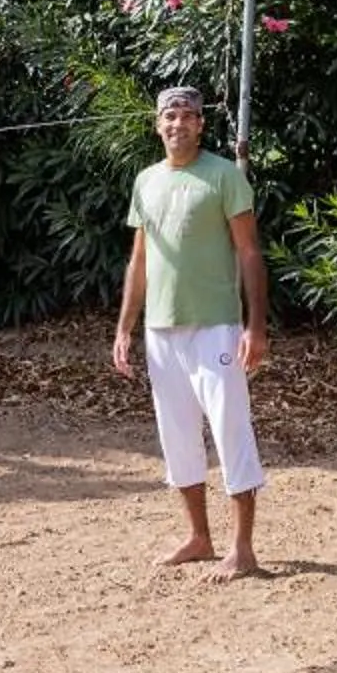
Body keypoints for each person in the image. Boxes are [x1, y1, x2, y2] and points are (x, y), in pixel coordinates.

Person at [111, 85, 271, 578]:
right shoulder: (146, 182)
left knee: (230, 431)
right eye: (168, 116)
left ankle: (242, 548)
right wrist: (125, 327)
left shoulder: (223, 176)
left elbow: (249, 252)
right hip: (162, 331)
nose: (176, 123)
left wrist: (255, 326)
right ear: (157, 125)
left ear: (201, 124)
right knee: (177, 436)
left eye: (186, 116)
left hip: (216, 327)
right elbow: (140, 258)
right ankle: (199, 537)